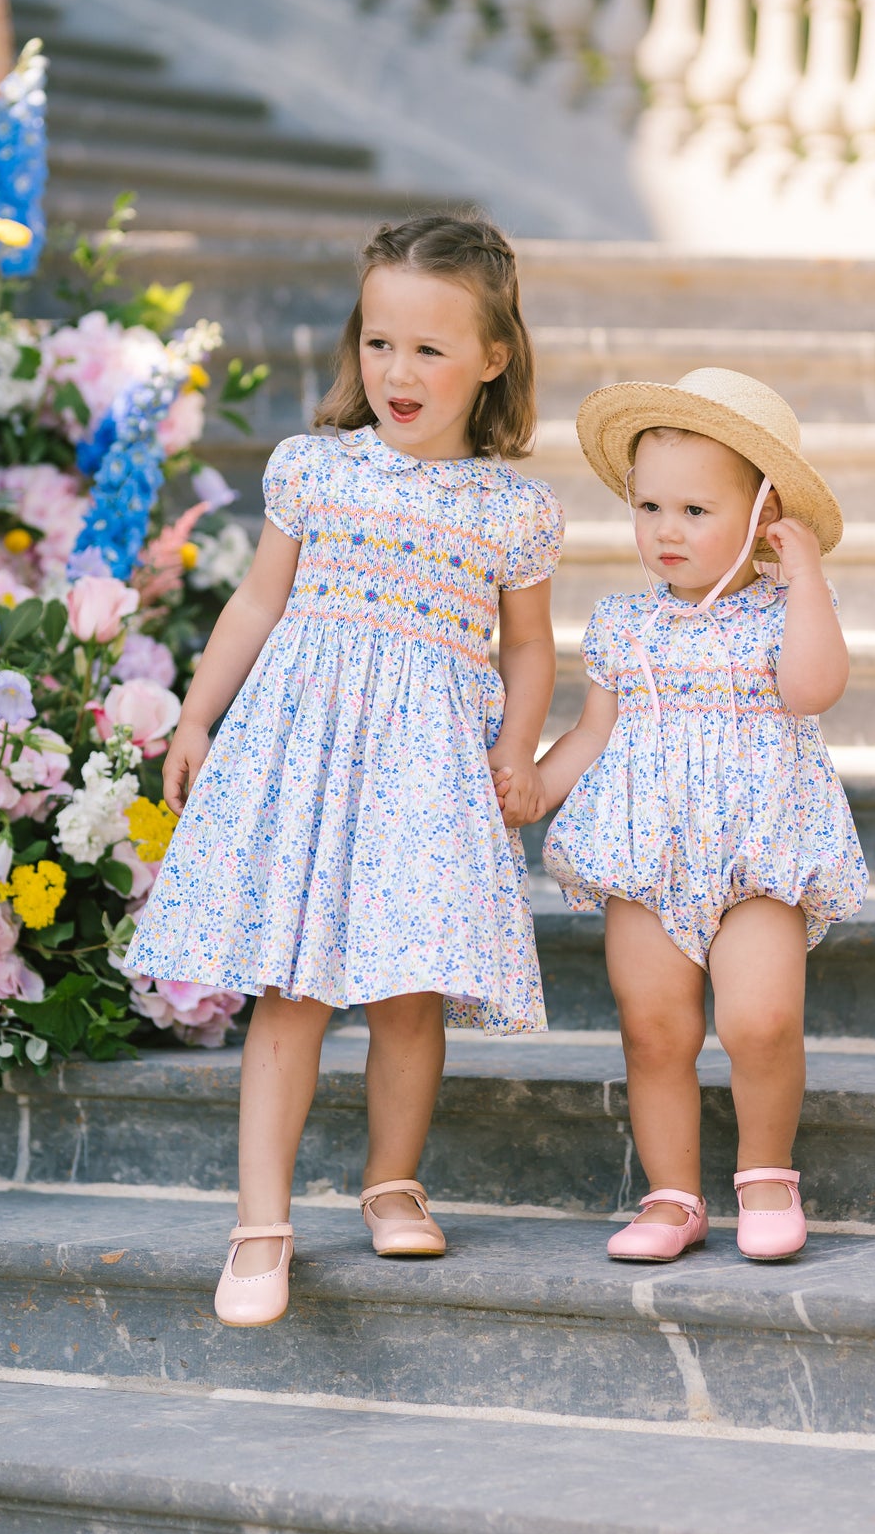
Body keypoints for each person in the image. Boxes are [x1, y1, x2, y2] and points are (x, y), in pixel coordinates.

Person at [127, 215, 562, 1325]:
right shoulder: (313, 469)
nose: (397, 372)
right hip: (306, 759)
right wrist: (195, 717)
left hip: (424, 770)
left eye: (428, 348)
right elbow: (258, 602)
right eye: (379, 343)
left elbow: (526, 646)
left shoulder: (513, 507)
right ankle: (260, 1224)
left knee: (409, 991)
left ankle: (392, 1182)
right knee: (295, 988)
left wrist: (515, 745)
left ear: (493, 357)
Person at [522, 368, 867, 1264]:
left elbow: (813, 689)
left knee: (759, 1020)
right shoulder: (624, 623)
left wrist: (806, 574)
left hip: (760, 850)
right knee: (655, 1026)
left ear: (763, 514)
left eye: (696, 512)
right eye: (649, 509)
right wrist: (525, 787)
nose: (666, 532)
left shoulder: (790, 613)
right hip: (643, 849)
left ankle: (764, 1172)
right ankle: (672, 1196)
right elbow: (593, 734)